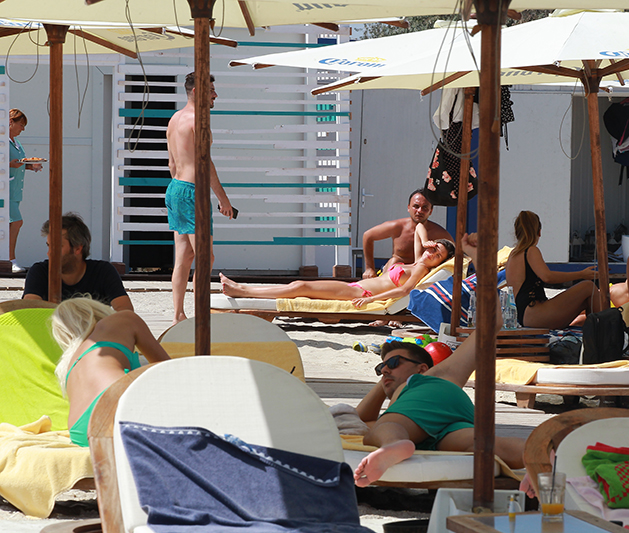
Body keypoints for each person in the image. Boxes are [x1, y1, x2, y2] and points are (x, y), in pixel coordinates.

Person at [353, 232, 525, 487]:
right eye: (381, 367)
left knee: (381, 429)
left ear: (422, 368)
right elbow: (492, 324)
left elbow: (359, 418)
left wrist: (397, 386)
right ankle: (541, 455)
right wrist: (477, 256)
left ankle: (393, 445)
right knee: (488, 445)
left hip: (417, 410)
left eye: (394, 363)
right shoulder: (446, 379)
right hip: (455, 421)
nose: (386, 371)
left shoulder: (430, 378)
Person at [220, 230, 455, 308]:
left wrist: (371, 300)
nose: (432, 254)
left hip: (360, 293)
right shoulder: (418, 260)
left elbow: (404, 291)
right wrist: (428, 243)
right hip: (355, 287)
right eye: (434, 249)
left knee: (300, 286)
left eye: (438, 256)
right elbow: (419, 227)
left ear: (438, 263)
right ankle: (242, 289)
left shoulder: (420, 271)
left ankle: (242, 291)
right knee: (298, 286)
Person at [50, 298, 171, 447]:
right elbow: (168, 370)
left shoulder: (70, 365)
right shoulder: (122, 320)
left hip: (81, 431)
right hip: (116, 403)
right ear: (98, 311)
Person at [166, 71, 234, 325]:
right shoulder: (199, 121)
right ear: (196, 92)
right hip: (192, 192)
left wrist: (182, 188)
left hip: (176, 188)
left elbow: (172, 164)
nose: (215, 95)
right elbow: (205, 164)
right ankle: (200, 315)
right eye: (211, 90)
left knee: (184, 257)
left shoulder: (174, 119)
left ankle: (178, 315)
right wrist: (223, 199)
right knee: (205, 257)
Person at [506, 210, 601, 329]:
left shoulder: (513, 255)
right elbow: (547, 277)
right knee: (588, 286)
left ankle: (597, 331)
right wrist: (581, 274)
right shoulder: (530, 250)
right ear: (539, 232)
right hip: (535, 313)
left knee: (586, 299)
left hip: (524, 315)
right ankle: (604, 332)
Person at [23, 213, 133, 311]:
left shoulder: (102, 272)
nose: (49, 253)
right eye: (48, 246)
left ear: (77, 248)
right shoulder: (40, 272)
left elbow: (125, 311)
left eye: (57, 247)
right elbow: (29, 310)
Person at [361, 189, 452, 280]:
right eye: (416, 206)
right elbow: (368, 236)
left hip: (420, 276)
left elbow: (454, 256)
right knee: (395, 260)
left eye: (425, 207)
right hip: (394, 274)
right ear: (408, 208)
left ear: (430, 211)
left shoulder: (440, 233)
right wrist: (369, 268)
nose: (419, 211)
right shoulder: (397, 227)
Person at [8, 108, 44, 273]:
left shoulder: (16, 142)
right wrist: (10, 164)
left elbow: (18, 163)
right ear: (11, 122)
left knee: (11, 223)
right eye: (21, 124)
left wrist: (30, 166)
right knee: (16, 222)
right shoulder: (3, 142)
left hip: (15, 191)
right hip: (5, 191)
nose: (23, 129)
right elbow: (8, 163)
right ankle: (10, 260)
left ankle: (8, 259)